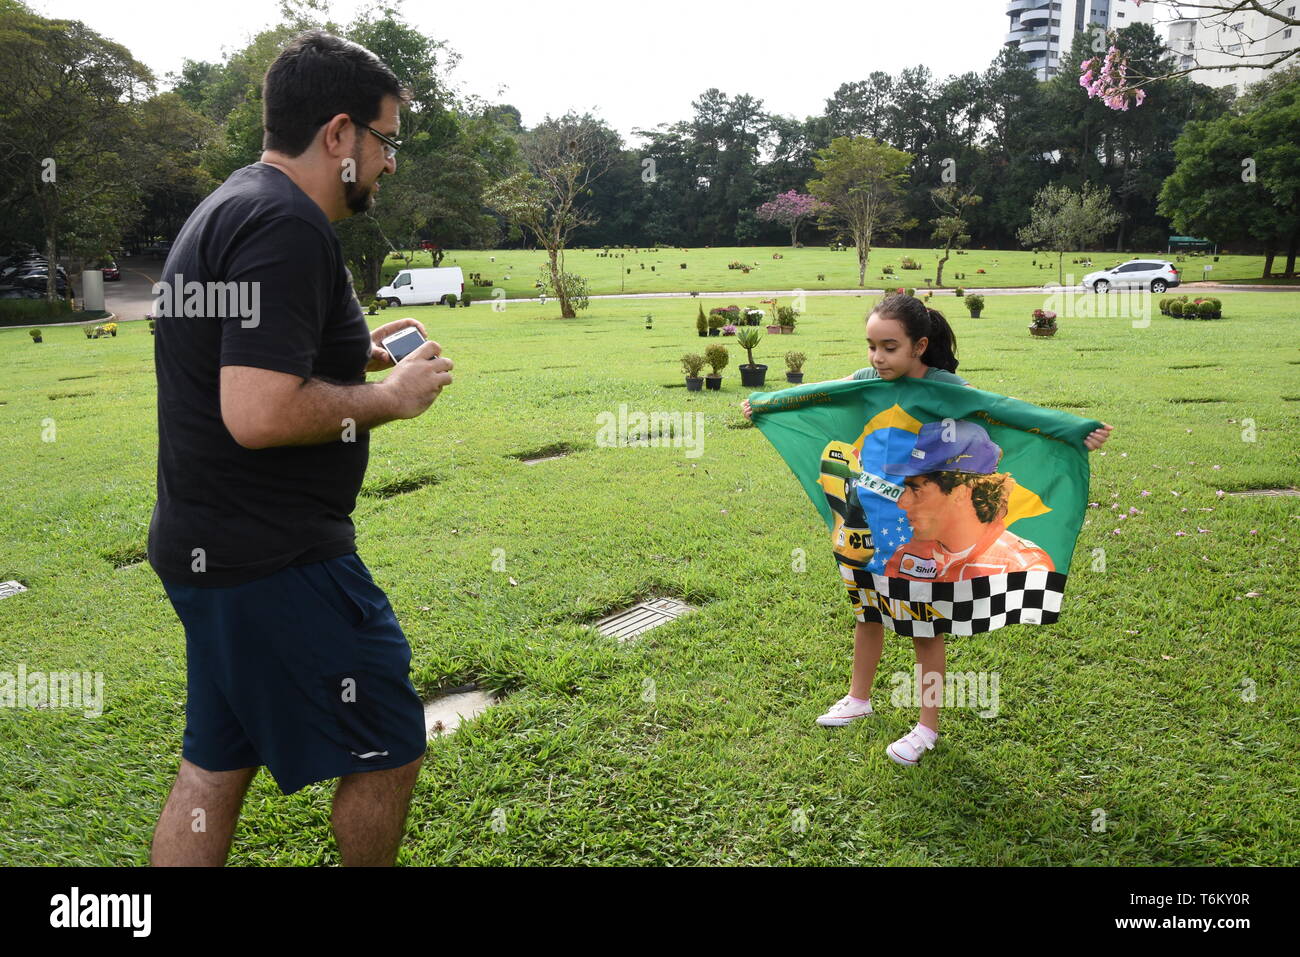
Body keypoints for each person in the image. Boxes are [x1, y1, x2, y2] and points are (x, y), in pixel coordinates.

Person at [146, 30, 454, 865]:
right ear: (340, 134)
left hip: (208, 551)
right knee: (392, 742)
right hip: (275, 558)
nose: (389, 163)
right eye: (387, 140)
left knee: (214, 766)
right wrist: (390, 399)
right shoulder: (288, 226)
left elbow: (242, 359)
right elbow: (256, 410)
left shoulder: (230, 207)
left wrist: (351, 354)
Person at [743, 293, 1111, 766]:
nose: (878, 358)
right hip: (869, 522)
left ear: (919, 345)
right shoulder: (865, 383)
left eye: (889, 347)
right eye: (872, 346)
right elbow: (819, 395)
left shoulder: (946, 390)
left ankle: (927, 726)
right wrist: (767, 404)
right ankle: (859, 698)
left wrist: (1071, 429)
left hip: (923, 530)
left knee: (925, 629)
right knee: (867, 611)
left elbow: (1001, 410)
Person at [883, 420, 1054, 582]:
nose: (901, 502)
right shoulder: (904, 558)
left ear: (960, 492)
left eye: (916, 490)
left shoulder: (1023, 568)